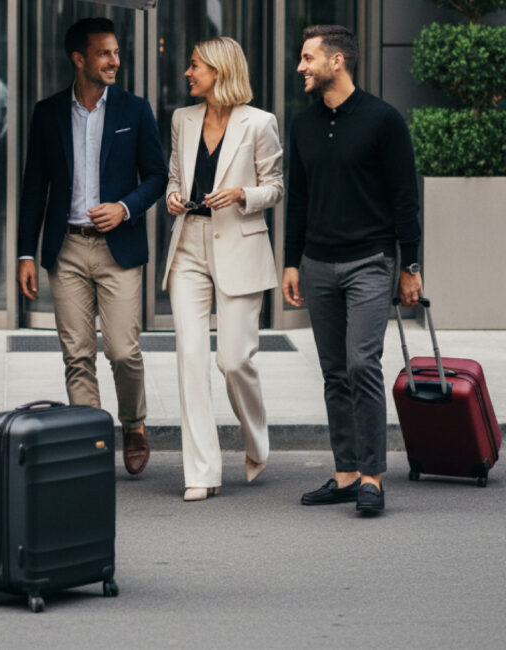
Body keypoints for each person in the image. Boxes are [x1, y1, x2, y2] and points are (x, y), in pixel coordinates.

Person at [282, 25, 422, 516]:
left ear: (336, 62)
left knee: (362, 364)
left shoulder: (384, 121)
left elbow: (406, 198)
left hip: (370, 261)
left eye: (307, 58)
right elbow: (297, 199)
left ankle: (373, 478)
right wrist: (291, 262)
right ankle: (345, 474)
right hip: (318, 263)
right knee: (334, 371)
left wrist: (411, 265)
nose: (300, 66)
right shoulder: (301, 126)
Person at [17, 17, 166, 475]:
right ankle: (93, 439)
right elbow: (34, 187)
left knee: (124, 350)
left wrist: (124, 207)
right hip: (67, 248)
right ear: (78, 59)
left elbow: (158, 176)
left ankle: (133, 423)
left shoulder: (134, 110)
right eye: (105, 53)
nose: (115, 61)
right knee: (77, 353)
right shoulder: (48, 112)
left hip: (117, 248)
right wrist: (26, 252)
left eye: (117, 53)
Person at [163, 37, 284, 502]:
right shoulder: (182, 119)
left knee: (233, 361)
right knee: (190, 358)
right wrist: (173, 196)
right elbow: (177, 175)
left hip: (240, 243)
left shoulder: (260, 123)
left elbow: (275, 186)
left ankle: (256, 439)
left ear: (219, 70)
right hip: (190, 242)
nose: (187, 73)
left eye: (194, 65)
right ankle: (201, 471)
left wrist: (241, 195)